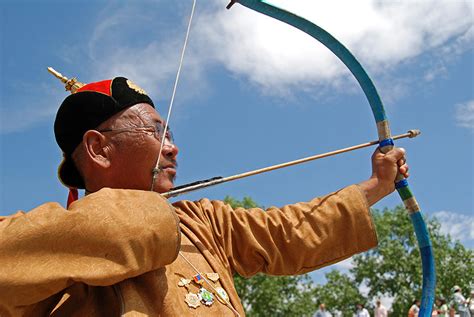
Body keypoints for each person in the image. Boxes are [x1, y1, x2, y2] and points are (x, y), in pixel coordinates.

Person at [0, 76, 409, 316]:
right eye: (155, 132)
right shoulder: (45, 240)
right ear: (99, 148)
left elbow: (287, 232)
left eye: (171, 133)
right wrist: (143, 215)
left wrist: (376, 186)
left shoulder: (202, 221)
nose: (172, 147)